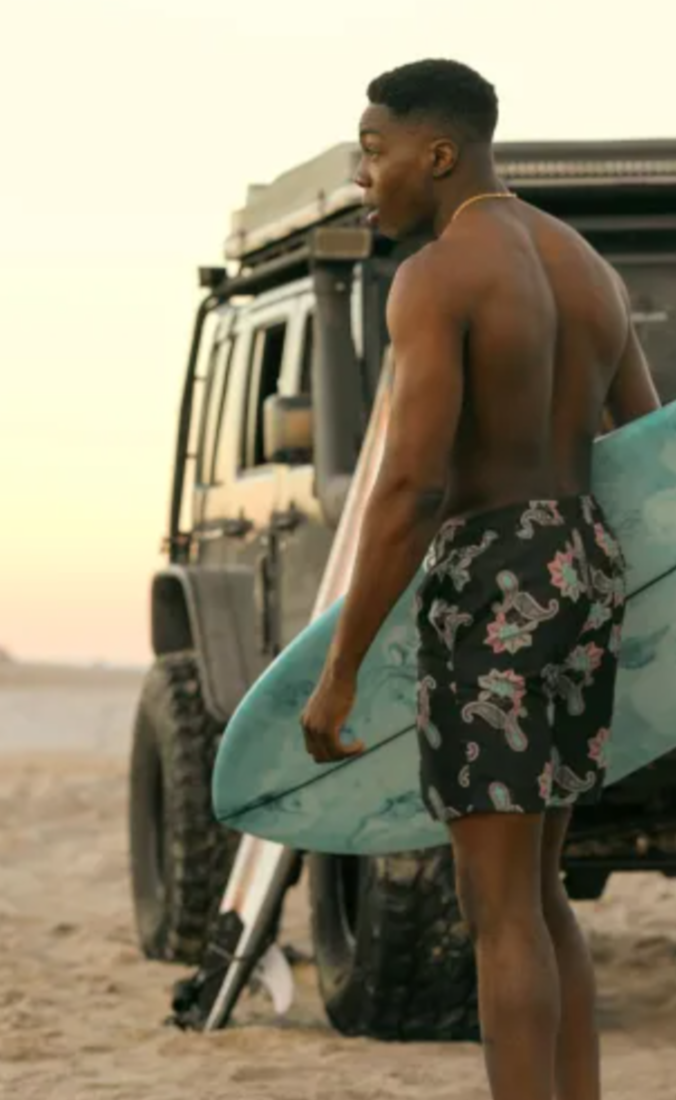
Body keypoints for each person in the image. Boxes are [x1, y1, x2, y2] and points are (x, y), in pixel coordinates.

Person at [299, 59, 661, 1100]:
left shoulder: (437, 276)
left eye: (374, 152)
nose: (363, 177)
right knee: (541, 894)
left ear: (439, 153)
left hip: (494, 575)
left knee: (495, 907)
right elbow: (647, 449)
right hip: (583, 564)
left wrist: (340, 670)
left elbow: (410, 483)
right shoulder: (587, 267)